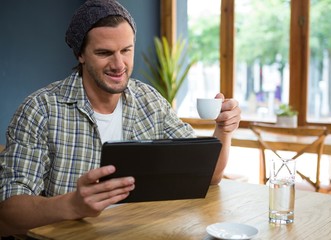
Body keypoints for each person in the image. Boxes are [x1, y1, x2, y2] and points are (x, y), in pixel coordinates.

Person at [0, 0, 241, 236]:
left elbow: (208, 174)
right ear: (80, 55)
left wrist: (224, 130)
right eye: (104, 53)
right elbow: (8, 213)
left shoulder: (149, 100)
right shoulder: (40, 110)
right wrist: (72, 205)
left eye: (126, 50)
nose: (119, 65)